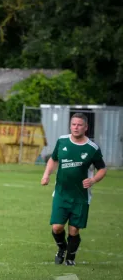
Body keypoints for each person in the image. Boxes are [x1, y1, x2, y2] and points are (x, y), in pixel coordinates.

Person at [41, 113, 107, 266]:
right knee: (57, 227)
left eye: (79, 125)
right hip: (61, 193)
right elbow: (54, 159)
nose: (76, 127)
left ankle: (70, 257)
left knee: (74, 231)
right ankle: (62, 248)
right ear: (70, 126)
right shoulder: (62, 141)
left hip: (80, 196)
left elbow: (102, 169)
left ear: (86, 127)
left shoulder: (92, 148)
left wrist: (93, 180)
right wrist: (46, 175)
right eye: (73, 124)